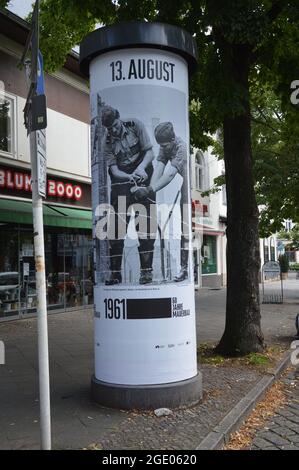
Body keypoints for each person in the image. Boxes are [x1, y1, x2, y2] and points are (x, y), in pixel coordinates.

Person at [101, 105, 156, 285]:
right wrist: (128, 176)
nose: (114, 130)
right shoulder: (106, 142)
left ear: (119, 118)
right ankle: (115, 274)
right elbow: (114, 170)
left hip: (143, 174)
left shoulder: (135, 125)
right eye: (110, 128)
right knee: (116, 228)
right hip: (121, 180)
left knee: (146, 225)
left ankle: (146, 273)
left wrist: (140, 168)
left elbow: (150, 152)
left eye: (115, 125)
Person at [132, 122, 190, 282]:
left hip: (188, 184)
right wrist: (149, 190)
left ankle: (185, 269)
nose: (163, 148)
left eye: (165, 145)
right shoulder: (165, 147)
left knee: (185, 226)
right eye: (161, 146)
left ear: (172, 139)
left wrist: (150, 190)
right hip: (182, 181)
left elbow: (169, 175)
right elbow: (159, 169)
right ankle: (184, 269)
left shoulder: (181, 148)